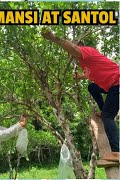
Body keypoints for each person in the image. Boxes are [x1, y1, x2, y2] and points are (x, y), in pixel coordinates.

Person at [41, 29, 120, 161]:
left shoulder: (87, 51)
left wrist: (54, 38)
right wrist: (80, 77)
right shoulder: (84, 63)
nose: (70, 54)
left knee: (108, 116)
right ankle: (103, 109)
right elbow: (91, 74)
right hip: (111, 85)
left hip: (117, 83)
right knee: (92, 87)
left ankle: (117, 152)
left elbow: (73, 49)